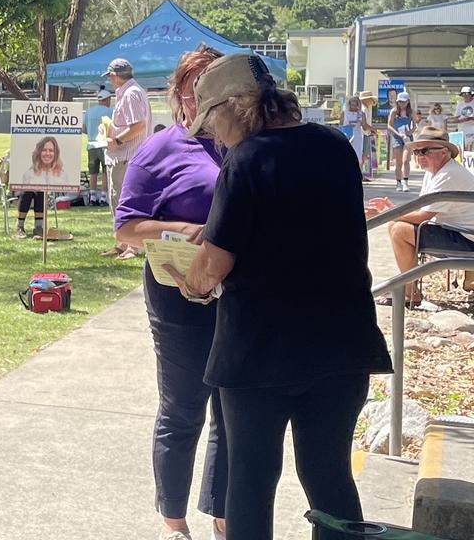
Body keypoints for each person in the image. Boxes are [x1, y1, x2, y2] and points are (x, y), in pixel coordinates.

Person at [166, 53, 392, 540]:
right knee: (331, 477)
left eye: (214, 124)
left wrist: (191, 280)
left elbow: (213, 266)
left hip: (259, 352)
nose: (215, 137)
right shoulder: (335, 145)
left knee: (250, 480)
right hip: (342, 344)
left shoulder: (246, 159)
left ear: (237, 108)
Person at [114, 45, 227, 540]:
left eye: (215, 84)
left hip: (244, 295)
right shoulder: (157, 150)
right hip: (178, 293)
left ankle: (224, 515)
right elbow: (126, 228)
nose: (204, 95)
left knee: (234, 410)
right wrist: (181, 228)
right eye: (195, 85)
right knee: (183, 408)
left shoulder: (248, 144)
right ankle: (173, 521)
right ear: (177, 93)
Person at [374, 127, 474, 307]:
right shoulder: (436, 171)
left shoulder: (448, 174)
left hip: (467, 239)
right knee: (396, 225)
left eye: (425, 151)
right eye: (416, 151)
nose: (419, 156)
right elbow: (421, 208)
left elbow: (421, 217)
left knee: (399, 230)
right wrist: (393, 211)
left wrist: (389, 212)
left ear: (444, 152)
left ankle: (409, 293)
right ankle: (409, 289)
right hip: (457, 233)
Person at [103, 57, 151, 260]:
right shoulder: (130, 92)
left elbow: (138, 124)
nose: (110, 80)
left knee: (126, 202)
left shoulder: (131, 94)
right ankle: (122, 243)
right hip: (122, 157)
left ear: (115, 76)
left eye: (110, 76)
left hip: (128, 157)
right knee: (117, 199)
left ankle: (132, 246)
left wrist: (118, 141)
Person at [84, 90, 113, 204]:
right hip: (104, 144)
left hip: (91, 145)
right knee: (105, 171)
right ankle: (103, 196)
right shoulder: (110, 111)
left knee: (93, 172)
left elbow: (84, 128)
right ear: (107, 100)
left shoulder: (89, 111)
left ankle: (92, 196)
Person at [388, 91, 417, 191]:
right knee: (398, 162)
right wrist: (398, 133)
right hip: (397, 137)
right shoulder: (394, 111)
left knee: (406, 160)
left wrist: (410, 131)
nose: (401, 104)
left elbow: (414, 126)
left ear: (408, 101)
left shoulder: (411, 112)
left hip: (407, 137)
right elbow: (389, 125)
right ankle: (398, 183)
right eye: (399, 102)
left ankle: (405, 182)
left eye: (403, 102)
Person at [340, 96, 375, 180]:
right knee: (346, 155)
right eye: (352, 104)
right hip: (346, 135)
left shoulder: (361, 113)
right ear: (349, 104)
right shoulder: (344, 113)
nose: (354, 106)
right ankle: (345, 174)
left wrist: (372, 129)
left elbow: (364, 126)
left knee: (358, 155)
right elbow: (340, 125)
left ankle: (357, 174)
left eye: (355, 104)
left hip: (357, 136)